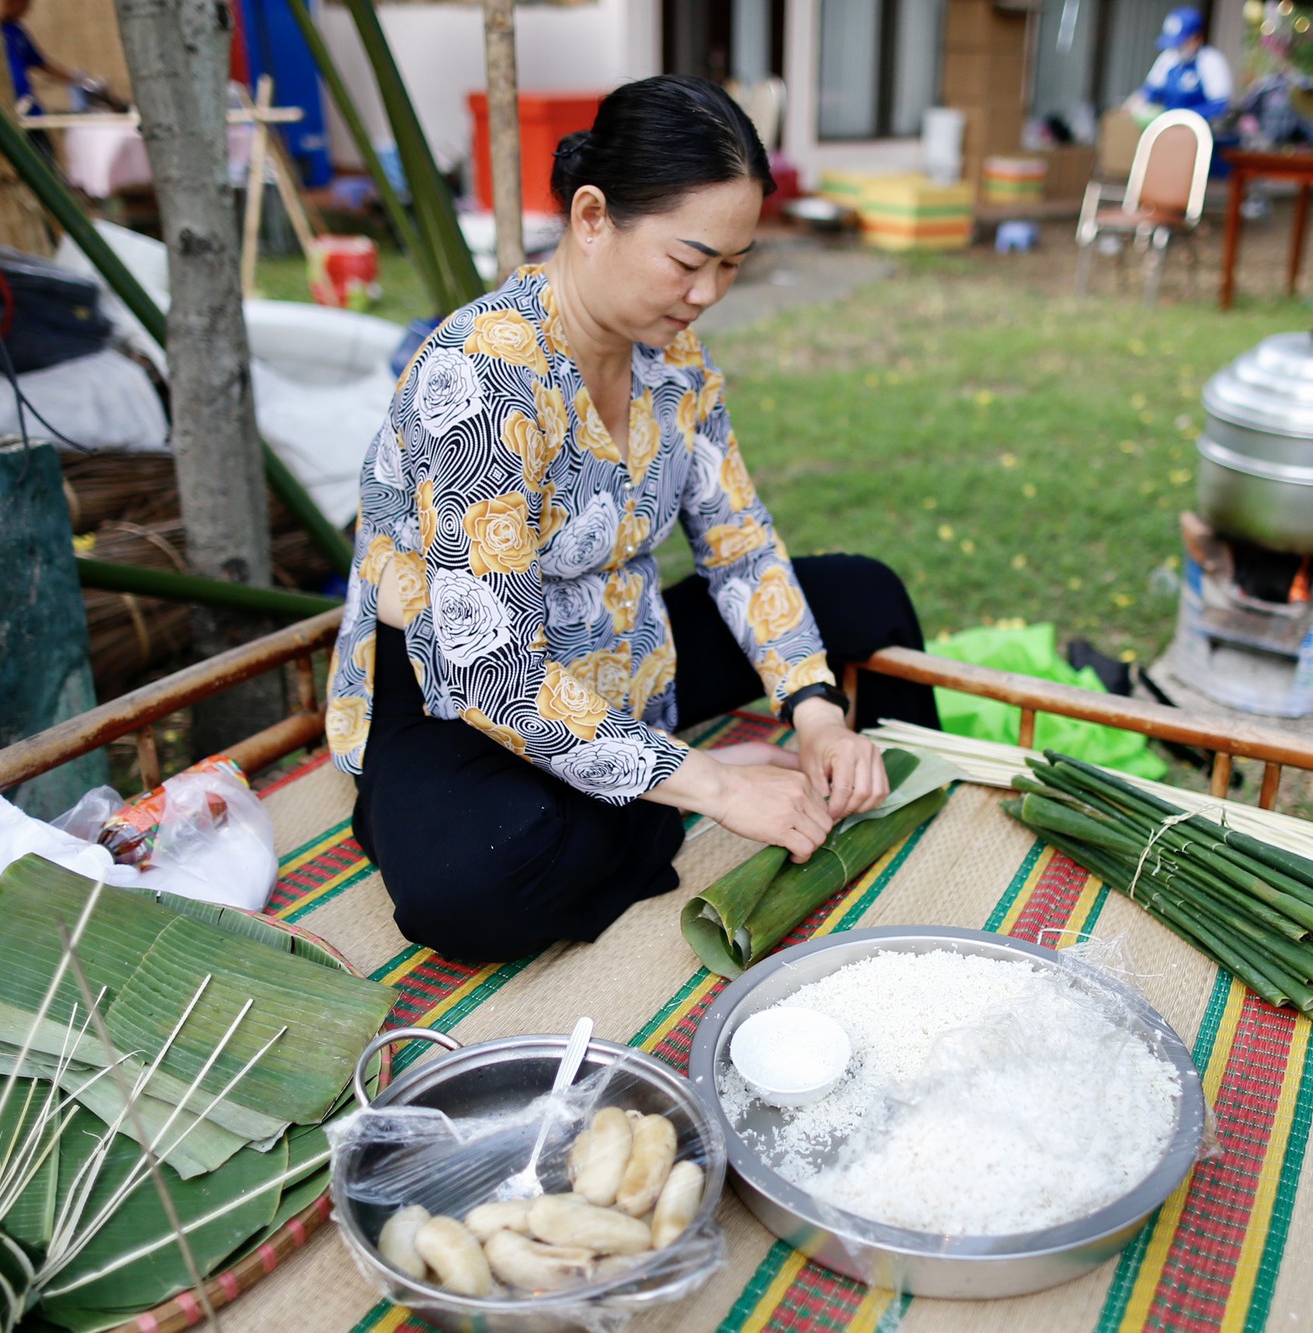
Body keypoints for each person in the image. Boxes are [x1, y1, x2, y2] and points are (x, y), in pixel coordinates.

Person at [327, 75, 939, 962]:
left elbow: (738, 545)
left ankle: (859, 803)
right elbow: (496, 677)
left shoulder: (673, 357)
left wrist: (812, 713)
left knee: (866, 594)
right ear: (590, 217)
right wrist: (716, 786)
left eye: (732, 265)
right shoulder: (483, 378)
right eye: (689, 261)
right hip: (459, 690)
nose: (708, 293)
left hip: (626, 654)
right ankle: (649, 802)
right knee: (468, 885)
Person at [1135, 7, 1233, 124]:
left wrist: (1182, 117)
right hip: (1168, 128)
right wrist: (1138, 104)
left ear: (1198, 39)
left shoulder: (1211, 61)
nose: (1178, 49)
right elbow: (1150, 90)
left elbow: (1220, 106)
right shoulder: (1168, 57)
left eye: (1182, 43)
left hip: (1200, 131)